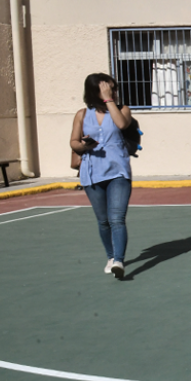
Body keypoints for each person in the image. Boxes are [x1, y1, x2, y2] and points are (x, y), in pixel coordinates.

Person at [70, 73, 134, 280]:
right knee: (103, 221)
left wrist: (109, 100)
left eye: (113, 88)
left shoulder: (122, 109)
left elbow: (122, 125)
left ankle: (119, 261)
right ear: (93, 92)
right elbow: (73, 142)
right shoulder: (81, 114)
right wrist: (83, 145)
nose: (112, 91)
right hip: (92, 172)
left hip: (118, 171)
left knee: (117, 218)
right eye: (107, 88)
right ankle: (110, 256)